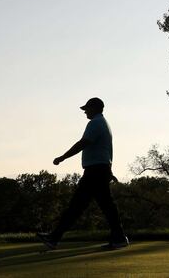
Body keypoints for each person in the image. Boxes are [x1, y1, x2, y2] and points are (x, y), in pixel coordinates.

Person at [37, 97, 128, 250]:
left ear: (95, 108)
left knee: (77, 206)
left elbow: (83, 143)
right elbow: (105, 150)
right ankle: (119, 238)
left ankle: (54, 238)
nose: (85, 111)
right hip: (99, 170)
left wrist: (62, 157)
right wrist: (109, 171)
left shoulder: (95, 123)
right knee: (104, 206)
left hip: (95, 171)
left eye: (87, 108)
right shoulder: (102, 123)